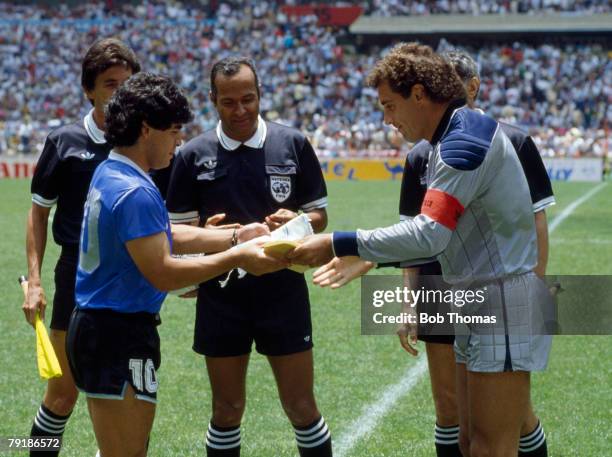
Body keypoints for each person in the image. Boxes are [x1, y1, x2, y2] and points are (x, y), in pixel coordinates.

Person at [289, 43, 553, 457]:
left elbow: (429, 235)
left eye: (389, 106)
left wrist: (339, 241)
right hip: (476, 296)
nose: (387, 120)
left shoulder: (463, 144)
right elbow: (425, 230)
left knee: (492, 446)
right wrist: (362, 254)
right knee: (469, 441)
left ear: (418, 94)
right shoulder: (450, 138)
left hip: (501, 300)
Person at [66, 72, 287, 457]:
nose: (179, 140)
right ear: (147, 129)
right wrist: (237, 257)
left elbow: (161, 233)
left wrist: (235, 235)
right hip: (116, 333)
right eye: (172, 130)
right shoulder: (134, 190)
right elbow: (164, 271)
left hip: (107, 328)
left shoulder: (114, 170)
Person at [165, 56, 332, 457]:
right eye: (229, 102)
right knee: (226, 409)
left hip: (283, 291)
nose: (240, 110)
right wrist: (210, 236)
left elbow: (320, 215)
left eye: (248, 99)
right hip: (221, 296)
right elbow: (176, 234)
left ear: (260, 96)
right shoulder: (192, 155)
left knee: (301, 407)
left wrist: (300, 219)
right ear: (212, 100)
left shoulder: (291, 143)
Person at [24, 37, 141, 456]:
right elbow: (38, 213)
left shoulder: (144, 141)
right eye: (110, 84)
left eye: (127, 84)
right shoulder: (64, 142)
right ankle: (21, 447)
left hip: (132, 280)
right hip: (76, 278)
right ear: (88, 89)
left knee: (124, 396)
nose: (120, 93)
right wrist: (34, 281)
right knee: (61, 397)